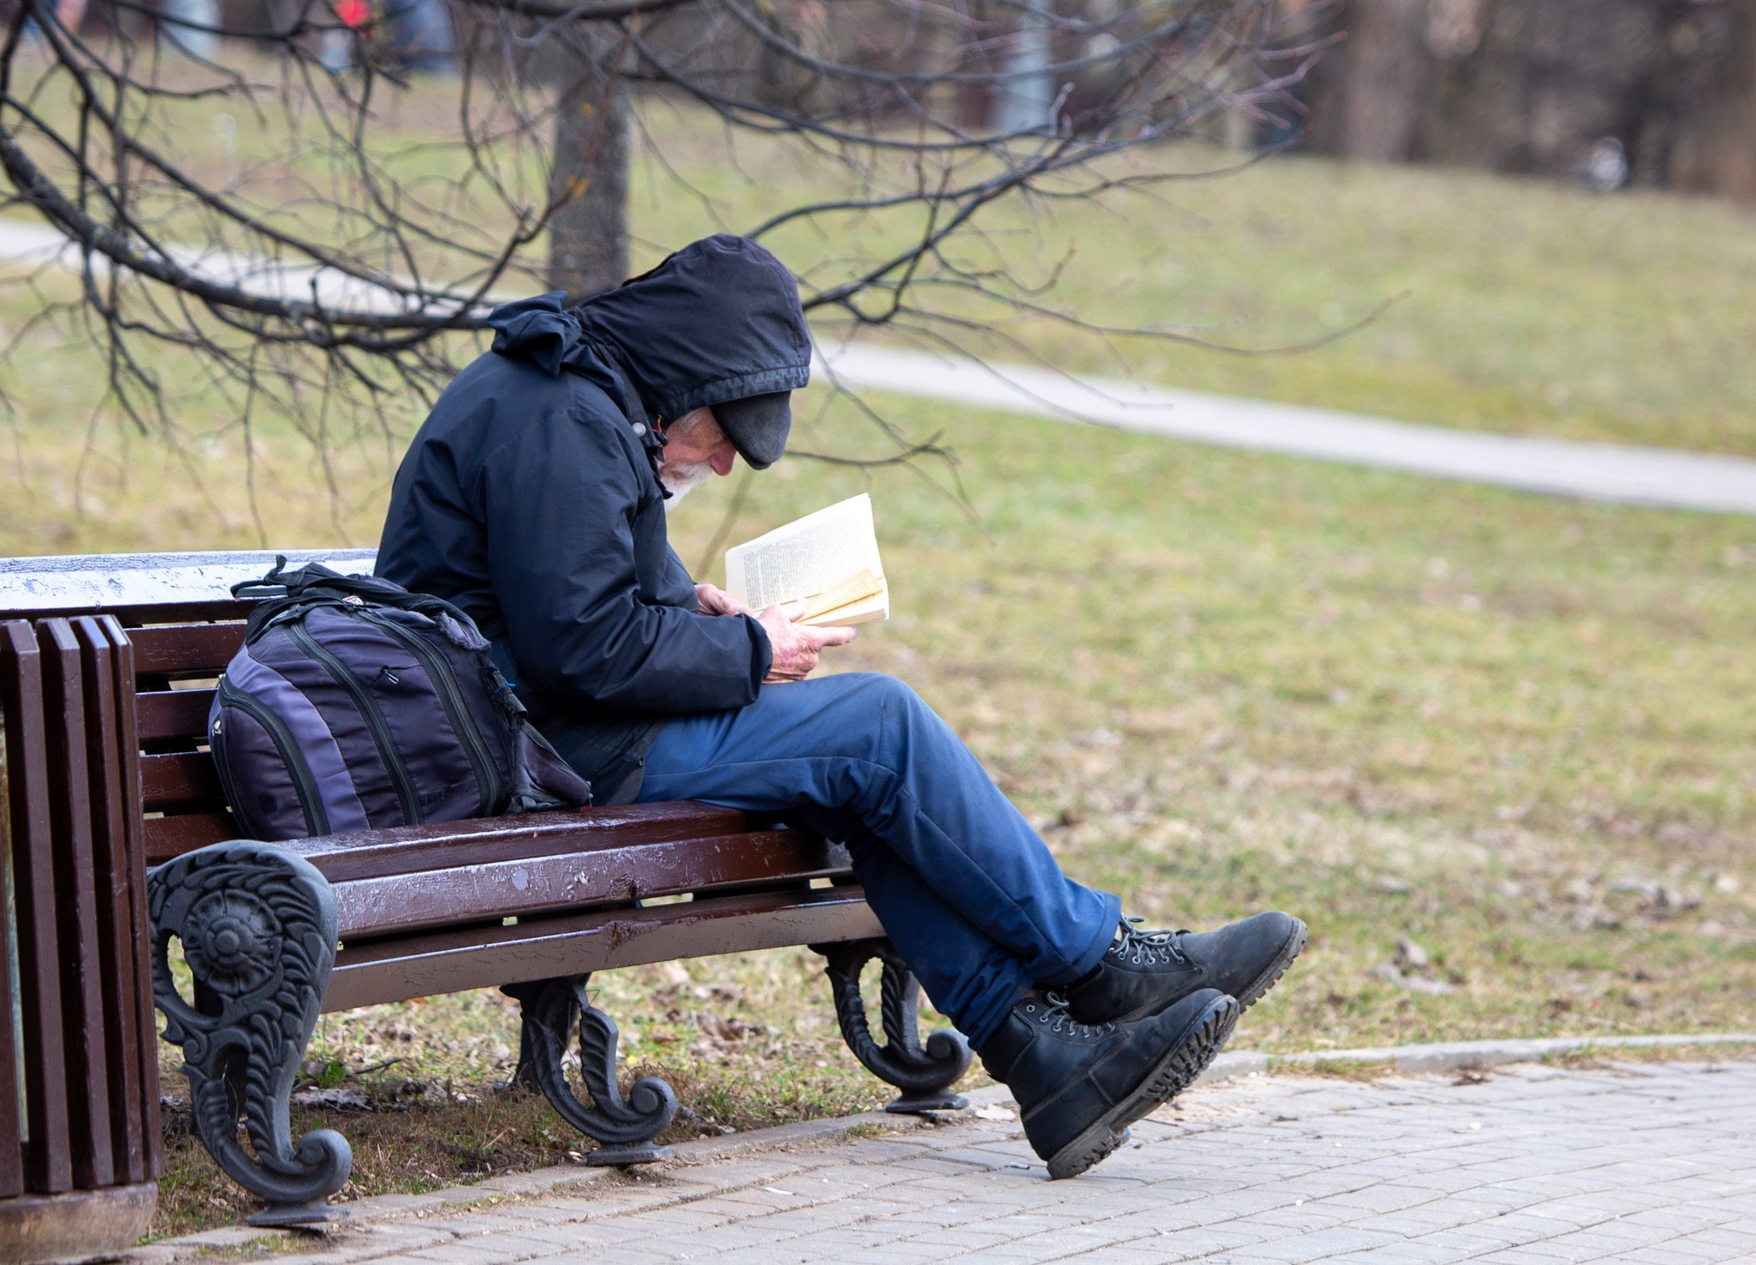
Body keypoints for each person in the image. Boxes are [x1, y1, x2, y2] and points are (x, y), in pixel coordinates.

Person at [375, 235, 1306, 1179]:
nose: (726, 465)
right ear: (683, 383)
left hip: (551, 726)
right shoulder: (561, 420)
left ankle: (1048, 1060)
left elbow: (563, 597)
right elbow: (585, 652)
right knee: (878, 728)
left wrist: (691, 604)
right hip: (544, 748)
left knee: (863, 776)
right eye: (722, 437)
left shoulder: (580, 397)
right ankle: (1099, 961)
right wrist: (753, 650)